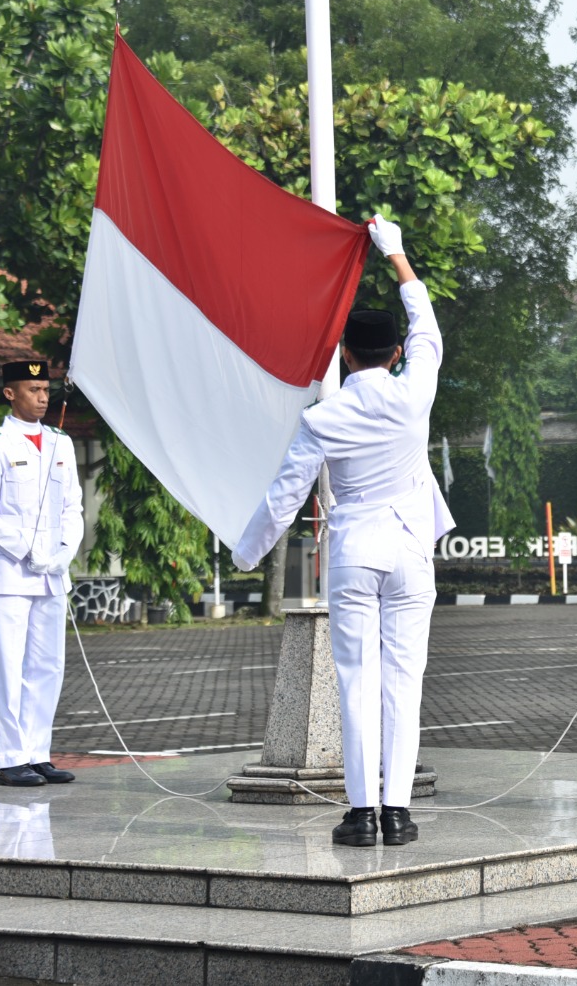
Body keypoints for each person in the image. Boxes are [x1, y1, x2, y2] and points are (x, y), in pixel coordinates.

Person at [235, 216, 450, 847]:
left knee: (356, 681)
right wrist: (397, 253)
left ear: (345, 357)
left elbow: (286, 497)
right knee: (403, 682)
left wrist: (249, 553)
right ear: (397, 354)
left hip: (355, 551)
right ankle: (399, 811)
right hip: (412, 548)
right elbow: (428, 325)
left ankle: (361, 814)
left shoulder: (325, 416)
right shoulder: (416, 394)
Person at [0, 360, 84, 787]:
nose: (43, 396)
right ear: (10, 393)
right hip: (11, 576)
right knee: (9, 666)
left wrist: (64, 551)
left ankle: (37, 753)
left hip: (52, 575)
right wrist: (27, 547)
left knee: (47, 666)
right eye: (33, 389)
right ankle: (10, 758)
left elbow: (73, 506)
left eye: (46, 389)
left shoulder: (60, 443)